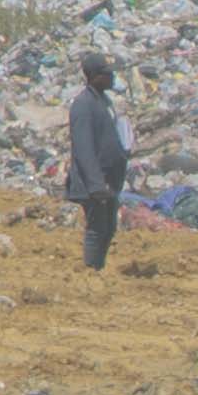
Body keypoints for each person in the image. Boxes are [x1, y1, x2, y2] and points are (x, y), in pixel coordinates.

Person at [61, 52, 131, 269]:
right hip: (94, 183)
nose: (112, 79)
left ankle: (97, 268)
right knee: (96, 229)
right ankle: (91, 272)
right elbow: (84, 149)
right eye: (106, 75)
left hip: (108, 180)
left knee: (108, 228)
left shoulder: (103, 101)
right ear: (93, 76)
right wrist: (95, 184)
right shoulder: (84, 105)